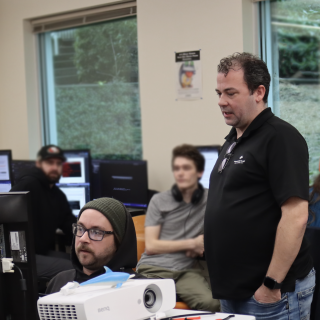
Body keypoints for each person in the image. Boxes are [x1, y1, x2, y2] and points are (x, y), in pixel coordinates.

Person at [204, 52, 314, 320]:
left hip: (270, 294)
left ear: (258, 91)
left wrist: (271, 285)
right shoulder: (233, 140)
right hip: (233, 291)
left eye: (231, 93)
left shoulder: (280, 138)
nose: (221, 101)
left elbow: (296, 217)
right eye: (218, 92)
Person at [136, 144, 220, 312]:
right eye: (177, 168)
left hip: (185, 271)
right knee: (145, 305)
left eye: (186, 168)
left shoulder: (212, 200)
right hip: (153, 268)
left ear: (199, 172)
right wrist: (191, 244)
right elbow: (152, 246)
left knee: (212, 305)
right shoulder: (159, 201)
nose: (180, 173)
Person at [46, 197, 143, 294]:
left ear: (119, 240)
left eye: (96, 232)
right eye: (80, 228)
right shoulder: (60, 282)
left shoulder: (140, 289)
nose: (83, 239)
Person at [10, 145, 76, 278]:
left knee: (81, 261)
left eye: (58, 164)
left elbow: (69, 223)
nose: (54, 168)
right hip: (20, 256)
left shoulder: (57, 195)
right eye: (49, 163)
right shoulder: (29, 184)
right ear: (39, 164)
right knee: (73, 267)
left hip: (40, 252)